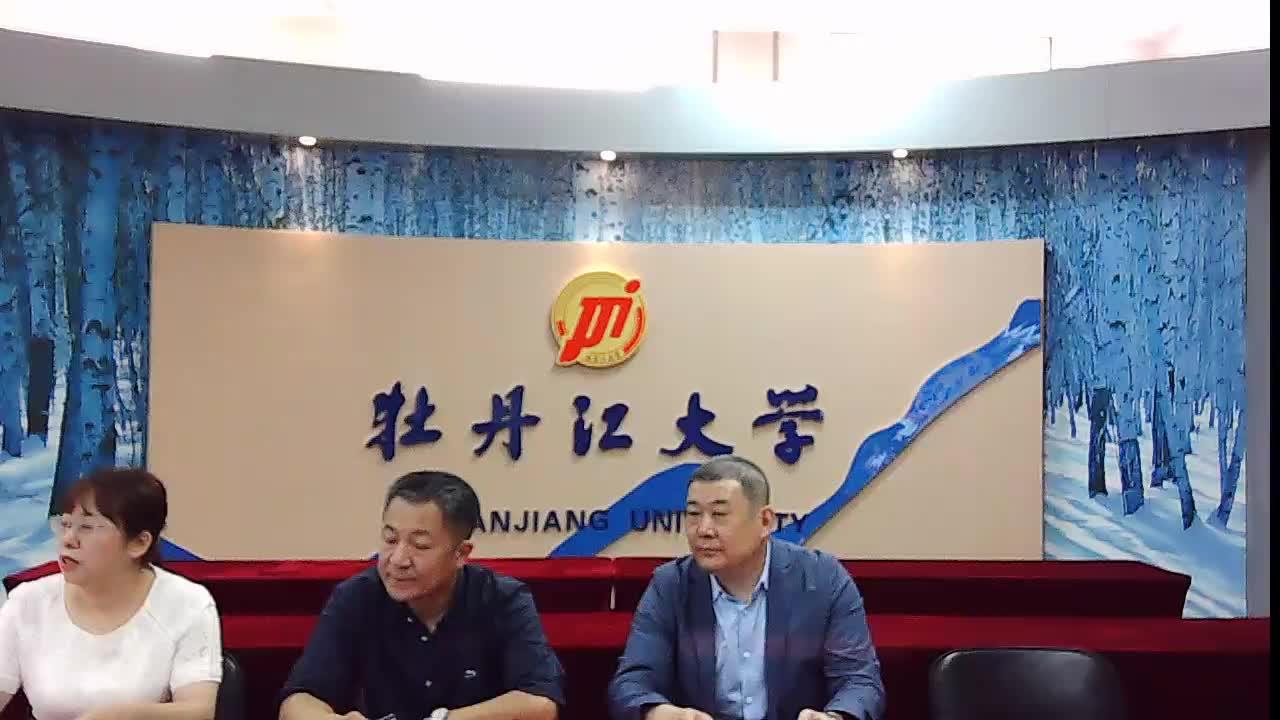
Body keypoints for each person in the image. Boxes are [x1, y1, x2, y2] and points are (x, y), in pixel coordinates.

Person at [608, 456, 885, 720]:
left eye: (719, 514)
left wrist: (834, 716)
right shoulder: (670, 585)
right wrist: (659, 713)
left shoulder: (822, 579)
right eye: (693, 514)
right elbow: (632, 682)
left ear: (765, 521)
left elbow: (859, 681)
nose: (703, 529)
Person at [279, 470, 564, 720]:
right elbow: (298, 703)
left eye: (420, 545)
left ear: (461, 553)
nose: (398, 559)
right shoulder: (356, 597)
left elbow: (540, 703)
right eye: (390, 539)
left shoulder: (503, 599)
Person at [0, 468, 223, 720]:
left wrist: (121, 716)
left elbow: (198, 712)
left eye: (87, 527)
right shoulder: (28, 602)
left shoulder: (187, 603)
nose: (68, 540)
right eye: (65, 525)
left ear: (139, 543)